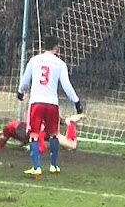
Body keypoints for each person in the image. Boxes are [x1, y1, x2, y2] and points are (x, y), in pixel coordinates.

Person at [17, 36, 83, 177]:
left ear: (43, 47)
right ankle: (53, 166)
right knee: (54, 134)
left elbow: (25, 81)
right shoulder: (60, 63)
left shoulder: (34, 60)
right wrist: (76, 102)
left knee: (34, 135)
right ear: (56, 48)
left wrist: (20, 93)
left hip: (36, 103)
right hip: (52, 104)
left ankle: (37, 167)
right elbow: (66, 85)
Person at [0, 117, 78, 152]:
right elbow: (3, 140)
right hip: (43, 124)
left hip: (49, 131)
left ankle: (71, 123)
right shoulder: (9, 128)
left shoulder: (37, 133)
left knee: (71, 146)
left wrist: (33, 148)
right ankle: (64, 121)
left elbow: (43, 148)